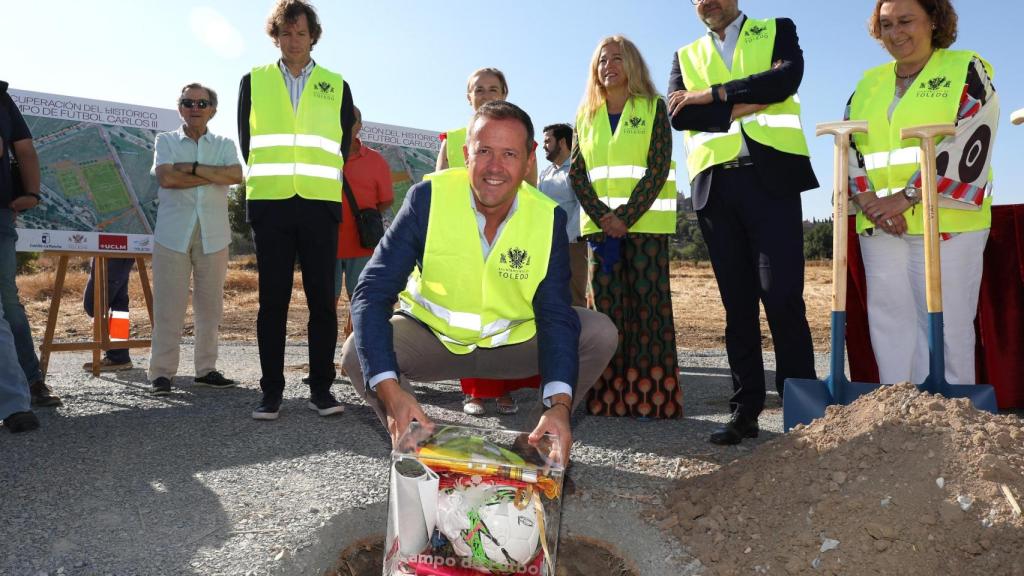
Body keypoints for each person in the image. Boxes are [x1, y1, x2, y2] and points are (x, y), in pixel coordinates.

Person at [341, 101, 618, 463]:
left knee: (598, 331)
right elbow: (371, 292)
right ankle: (421, 454)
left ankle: (535, 447)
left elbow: (554, 313)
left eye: (509, 153)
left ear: (529, 158)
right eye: (484, 151)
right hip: (435, 341)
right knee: (355, 354)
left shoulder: (546, 216)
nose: (495, 167)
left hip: (512, 346)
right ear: (465, 154)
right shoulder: (426, 199)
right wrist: (391, 392)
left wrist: (560, 405)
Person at [669, 0, 818, 444]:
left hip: (771, 182)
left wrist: (713, 95)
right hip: (716, 190)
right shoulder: (684, 55)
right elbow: (679, 114)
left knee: (783, 297)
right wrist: (747, 100)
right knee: (738, 308)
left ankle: (802, 411)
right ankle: (744, 411)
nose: (707, 2)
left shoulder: (777, 29)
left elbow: (786, 79)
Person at [846, 0, 998, 386]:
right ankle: (899, 415)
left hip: (947, 222)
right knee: (889, 323)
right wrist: (871, 203)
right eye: (886, 24)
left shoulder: (965, 68)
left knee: (945, 326)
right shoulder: (869, 83)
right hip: (881, 224)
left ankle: (951, 421)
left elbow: (973, 132)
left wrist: (909, 195)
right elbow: (850, 146)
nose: (896, 32)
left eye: (906, 21)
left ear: (933, 20)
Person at [237, 0, 355, 420]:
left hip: (319, 206)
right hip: (270, 205)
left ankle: (321, 389)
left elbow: (341, 145)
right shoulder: (253, 81)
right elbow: (247, 144)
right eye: (285, 33)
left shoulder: (336, 84)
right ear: (276, 36)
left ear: (313, 36)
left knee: (322, 301)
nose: (293, 40)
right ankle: (271, 392)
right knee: (273, 302)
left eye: (300, 33)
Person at [571, 35, 681, 420]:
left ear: (632, 64)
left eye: (617, 58)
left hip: (645, 229)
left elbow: (658, 167)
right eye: (602, 60)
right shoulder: (585, 116)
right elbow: (577, 172)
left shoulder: (653, 108)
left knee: (649, 312)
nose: (608, 66)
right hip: (601, 233)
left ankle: (654, 400)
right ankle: (605, 399)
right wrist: (605, 217)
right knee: (605, 316)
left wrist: (625, 217)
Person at [435, 67, 539, 417]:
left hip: (506, 234)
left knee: (503, 314)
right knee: (468, 314)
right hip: (464, 238)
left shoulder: (520, 135)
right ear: (469, 97)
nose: (486, 95)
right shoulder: (451, 138)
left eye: (493, 89)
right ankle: (474, 392)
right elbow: (438, 188)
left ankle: (504, 389)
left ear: (504, 94)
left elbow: (532, 189)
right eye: (479, 90)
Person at [147, 83, 243, 396]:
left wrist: (191, 168)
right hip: (172, 233)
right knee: (168, 307)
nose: (195, 107)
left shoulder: (225, 143)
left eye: (202, 102)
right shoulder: (166, 140)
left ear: (212, 109)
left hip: (214, 233)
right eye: (188, 102)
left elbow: (235, 176)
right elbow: (167, 178)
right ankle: (162, 373)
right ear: (180, 108)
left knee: (210, 307)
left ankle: (206, 369)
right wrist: (213, 174)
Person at [0, 80, 60, 409]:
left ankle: (31, 380)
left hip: (0, 215)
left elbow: (24, 149)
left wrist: (32, 194)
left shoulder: (2, 99)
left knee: (7, 300)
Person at [334, 106, 392, 321]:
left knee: (360, 302)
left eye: (351, 119)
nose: (345, 123)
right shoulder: (320, 156)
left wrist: (363, 219)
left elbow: (386, 199)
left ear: (360, 125)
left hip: (361, 244)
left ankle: (353, 347)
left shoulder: (376, 160)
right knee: (323, 303)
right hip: (325, 242)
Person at [538, 123, 588, 307]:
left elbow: (582, 205)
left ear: (562, 142)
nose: (544, 145)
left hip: (572, 245)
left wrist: (569, 237)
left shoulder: (577, 170)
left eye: (547, 141)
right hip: (548, 246)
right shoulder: (545, 174)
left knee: (574, 297)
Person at [82, 257, 135, 372]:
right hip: (119, 249)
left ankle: (118, 355)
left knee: (94, 304)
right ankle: (119, 355)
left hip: (113, 249)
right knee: (118, 305)